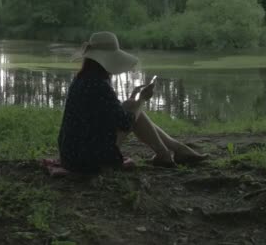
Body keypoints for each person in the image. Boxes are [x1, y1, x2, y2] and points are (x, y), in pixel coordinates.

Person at [58, 31, 208, 173]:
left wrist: (134, 99)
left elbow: (104, 115)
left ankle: (172, 151)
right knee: (132, 108)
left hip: (71, 154)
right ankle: (170, 152)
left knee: (130, 105)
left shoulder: (82, 79)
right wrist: (142, 100)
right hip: (85, 160)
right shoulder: (98, 85)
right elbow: (125, 123)